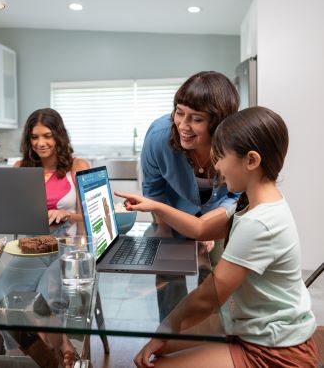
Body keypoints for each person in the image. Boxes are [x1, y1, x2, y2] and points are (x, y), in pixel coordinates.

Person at [116, 107, 318, 368]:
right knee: (162, 348)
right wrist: (155, 206)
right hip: (257, 331)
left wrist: (164, 327)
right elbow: (201, 229)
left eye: (221, 157)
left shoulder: (260, 223)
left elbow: (208, 296)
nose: (217, 166)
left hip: (274, 351)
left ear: (252, 160)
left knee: (156, 358)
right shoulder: (256, 205)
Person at [0, 108, 89, 367]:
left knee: (47, 294)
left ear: (59, 136)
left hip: (69, 245)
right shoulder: (20, 168)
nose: (41, 143)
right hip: (33, 247)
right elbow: (13, 215)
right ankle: (40, 353)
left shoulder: (77, 166)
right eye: (34, 137)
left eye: (47, 135)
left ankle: (59, 349)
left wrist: (65, 214)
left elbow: (88, 215)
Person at [141, 71, 240, 320]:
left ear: (218, 122)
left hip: (217, 214)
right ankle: (171, 336)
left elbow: (237, 193)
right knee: (169, 275)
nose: (183, 125)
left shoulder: (236, 142)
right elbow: (154, 191)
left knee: (214, 279)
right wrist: (163, 228)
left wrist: (207, 227)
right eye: (179, 112)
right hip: (171, 213)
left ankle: (208, 336)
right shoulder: (158, 137)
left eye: (196, 118)